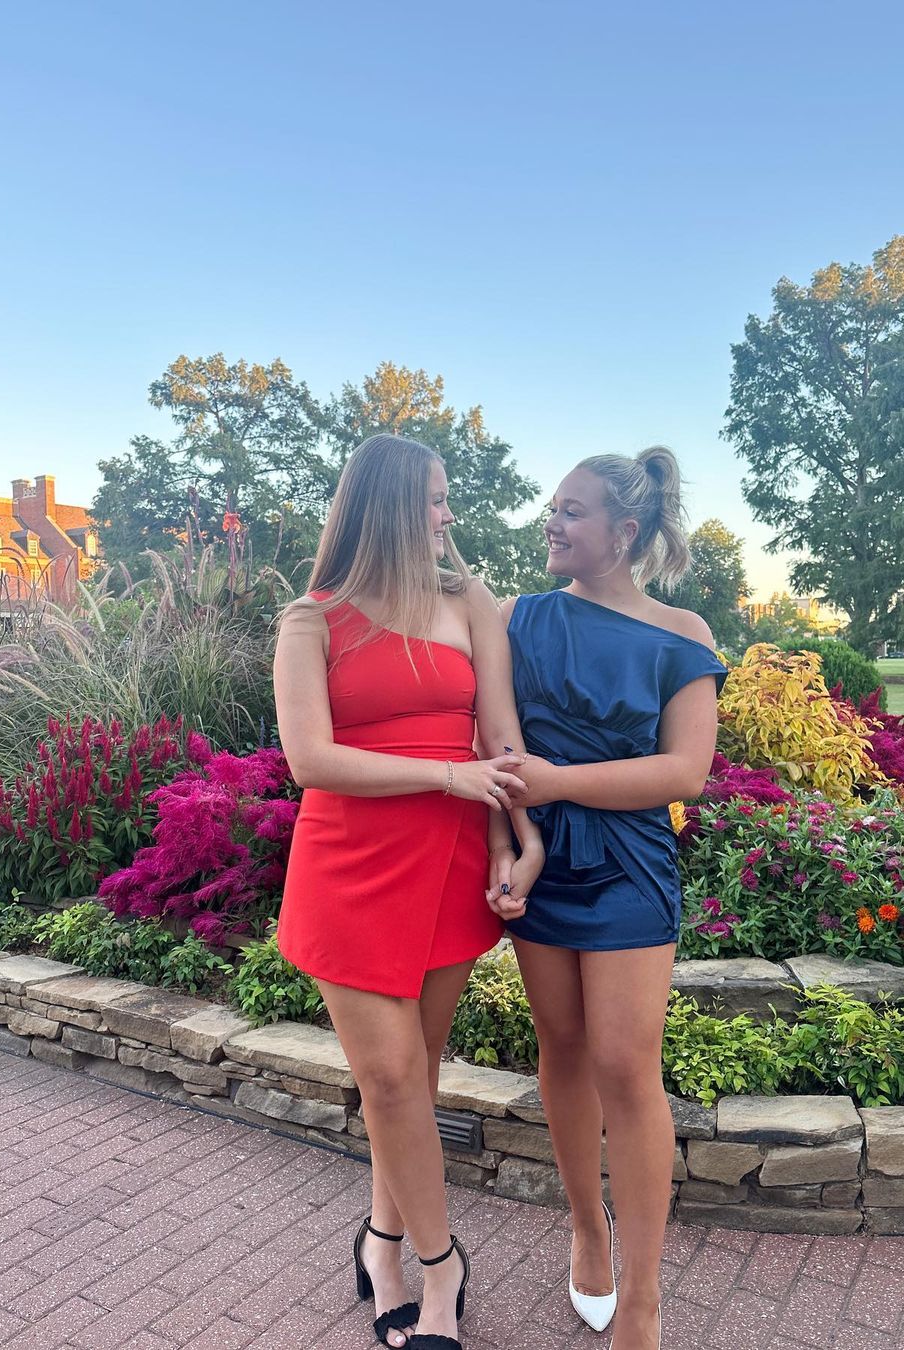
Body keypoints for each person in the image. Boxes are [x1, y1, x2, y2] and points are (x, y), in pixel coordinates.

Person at [273, 433, 543, 1350]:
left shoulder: (472, 603)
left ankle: (381, 1242)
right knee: (389, 1079)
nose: (447, 514)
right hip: (349, 866)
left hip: (449, 864)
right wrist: (443, 777)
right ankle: (442, 1267)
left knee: (414, 1081)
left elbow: (501, 742)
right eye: (433, 497)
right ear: (388, 504)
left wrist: (519, 842)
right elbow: (310, 760)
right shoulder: (311, 619)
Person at [495, 448, 725, 1350]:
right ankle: (587, 1230)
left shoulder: (681, 633)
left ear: (624, 532)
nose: (552, 523)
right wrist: (518, 842)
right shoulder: (519, 618)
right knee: (560, 1047)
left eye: (572, 511)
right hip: (546, 863)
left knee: (627, 1067)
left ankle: (643, 1296)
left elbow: (685, 772)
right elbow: (493, 747)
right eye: (553, 508)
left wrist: (559, 781)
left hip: (630, 864)